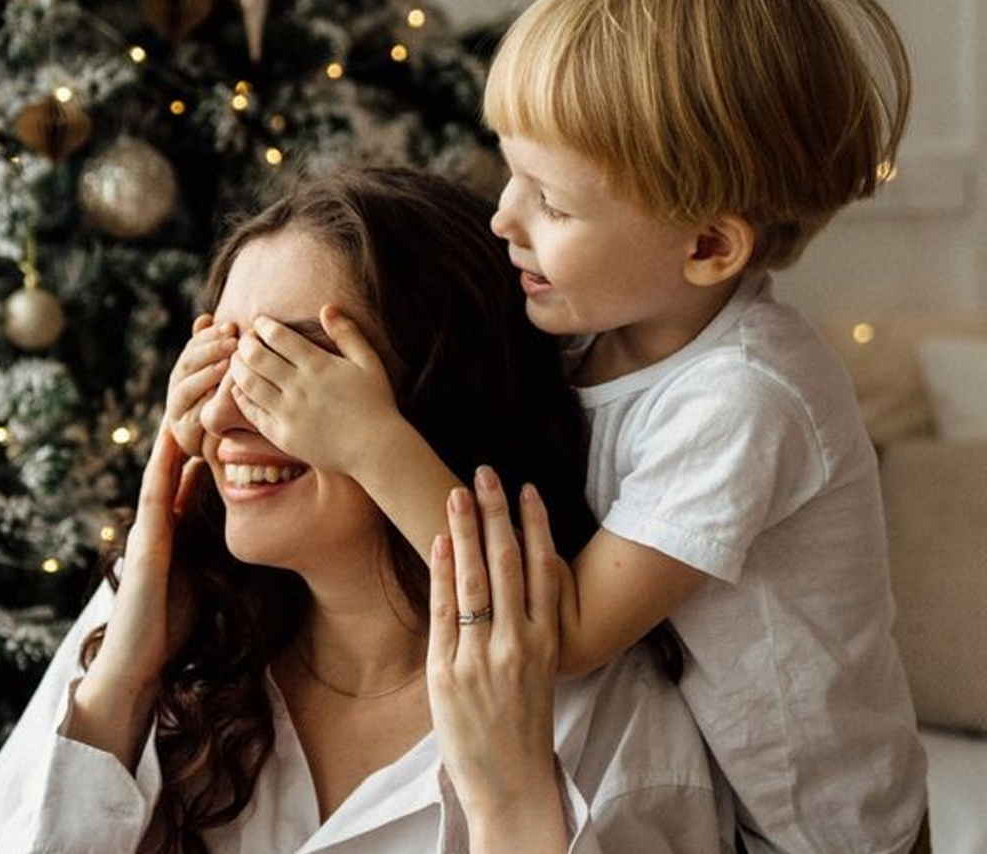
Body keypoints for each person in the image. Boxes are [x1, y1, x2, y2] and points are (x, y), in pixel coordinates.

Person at [210, 2, 929, 853]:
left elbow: (569, 632)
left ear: (707, 246)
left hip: (825, 832)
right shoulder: (595, 334)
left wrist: (371, 443)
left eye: (550, 201)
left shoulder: (746, 399)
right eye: (510, 173)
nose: (503, 219)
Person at [0, 169, 729, 853]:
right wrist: (121, 688)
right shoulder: (145, 632)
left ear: (435, 399)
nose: (220, 416)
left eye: (287, 368)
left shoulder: (613, 725)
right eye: (217, 360)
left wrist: (513, 808)